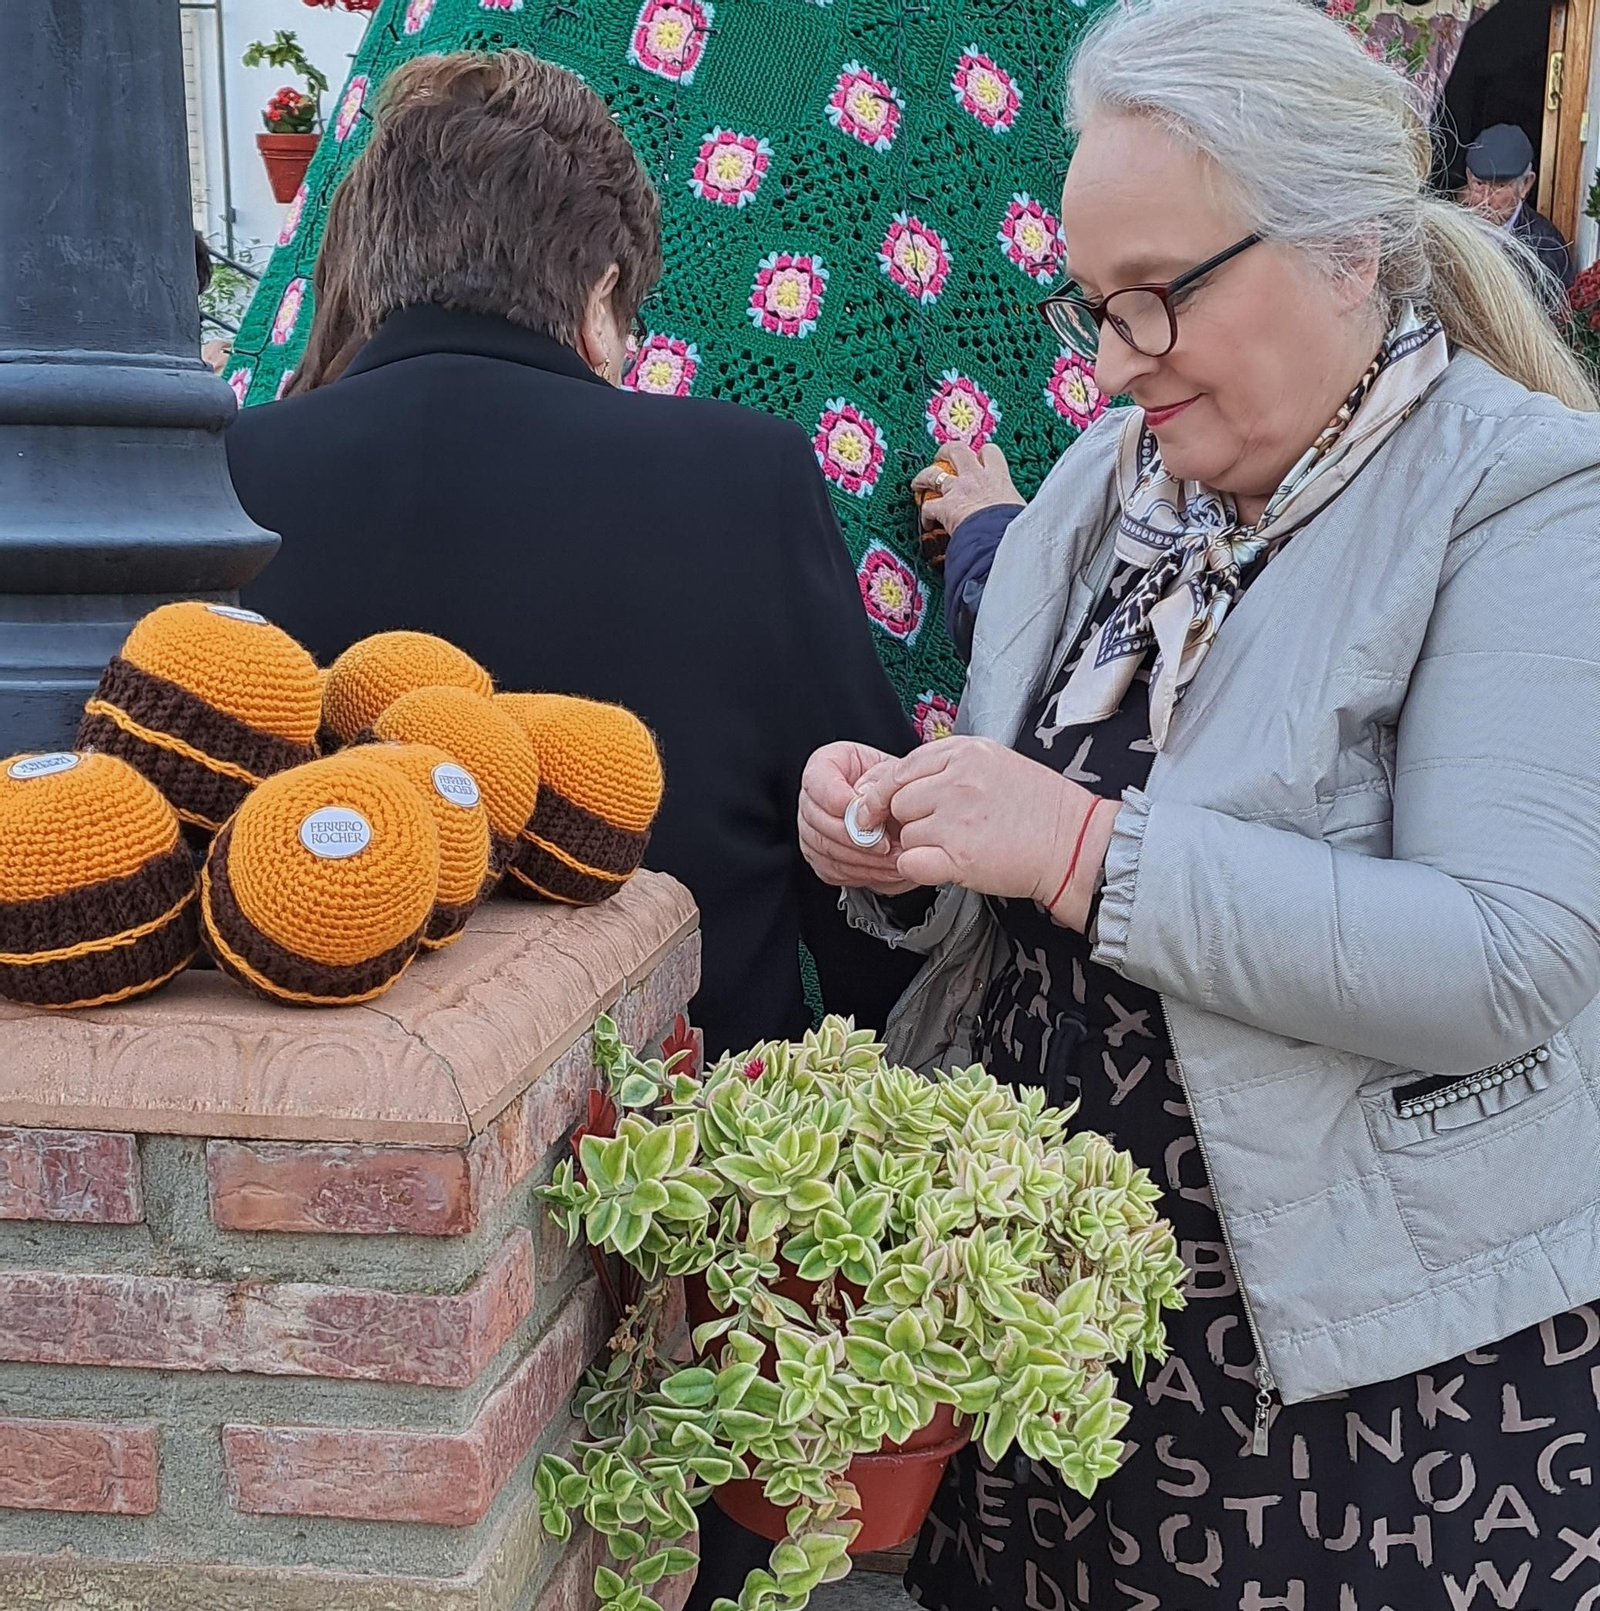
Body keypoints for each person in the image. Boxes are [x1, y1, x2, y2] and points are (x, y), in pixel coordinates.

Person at [800, 0, 1600, 1605]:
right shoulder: (1107, 488)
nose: (1113, 361)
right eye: (1097, 305)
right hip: (1062, 1355)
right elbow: (1031, 849)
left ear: (1348, 250)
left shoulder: (1516, 496)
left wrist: (1081, 846)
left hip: (1349, 1391)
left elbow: (1509, 955)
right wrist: (909, 838)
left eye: (1160, 296)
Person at [226, 51, 919, 1060]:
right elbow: (865, 845)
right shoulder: (742, 476)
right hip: (682, 1126)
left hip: (309, 1099)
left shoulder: (226, 472)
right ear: (599, 295)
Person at [1463, 121, 1574, 289]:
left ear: (1526, 185)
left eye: (1499, 186)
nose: (1485, 200)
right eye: (1479, 184)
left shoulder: (1546, 246)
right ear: (1468, 177)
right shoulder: (1454, 227)